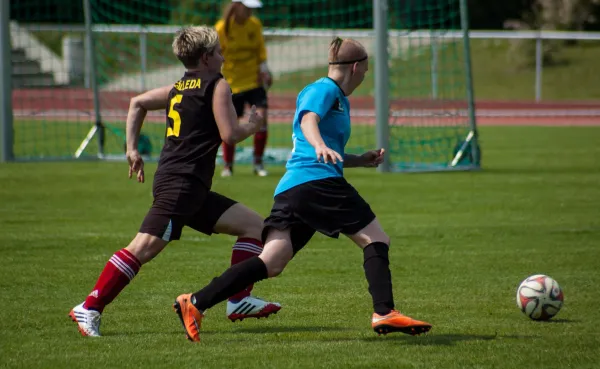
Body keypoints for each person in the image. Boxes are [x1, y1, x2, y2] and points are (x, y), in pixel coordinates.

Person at [171, 37, 433, 342]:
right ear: (357, 67)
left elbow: (320, 145)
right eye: (365, 70)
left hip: (295, 189)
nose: (365, 76)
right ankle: (385, 311)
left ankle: (196, 302)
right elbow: (309, 121)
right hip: (317, 184)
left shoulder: (333, 95)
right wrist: (320, 143)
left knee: (271, 262)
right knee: (375, 238)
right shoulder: (325, 89)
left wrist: (359, 160)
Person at [68, 26, 282, 337]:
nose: (224, 56)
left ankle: (238, 300)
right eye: (220, 52)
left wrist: (132, 149)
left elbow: (137, 102)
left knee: (255, 227)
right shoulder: (217, 85)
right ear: (208, 58)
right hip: (181, 184)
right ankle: (90, 306)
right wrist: (252, 123)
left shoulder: (179, 86)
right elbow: (229, 135)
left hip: (188, 185)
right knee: (144, 246)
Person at [215, 0, 272, 177]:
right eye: (247, 8)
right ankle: (228, 166)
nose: (250, 12)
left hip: (254, 82)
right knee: (230, 126)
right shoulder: (222, 28)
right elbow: (216, 55)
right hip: (232, 84)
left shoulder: (254, 25)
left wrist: (265, 71)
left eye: (252, 9)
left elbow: (260, 52)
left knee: (261, 120)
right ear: (237, 6)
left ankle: (258, 163)